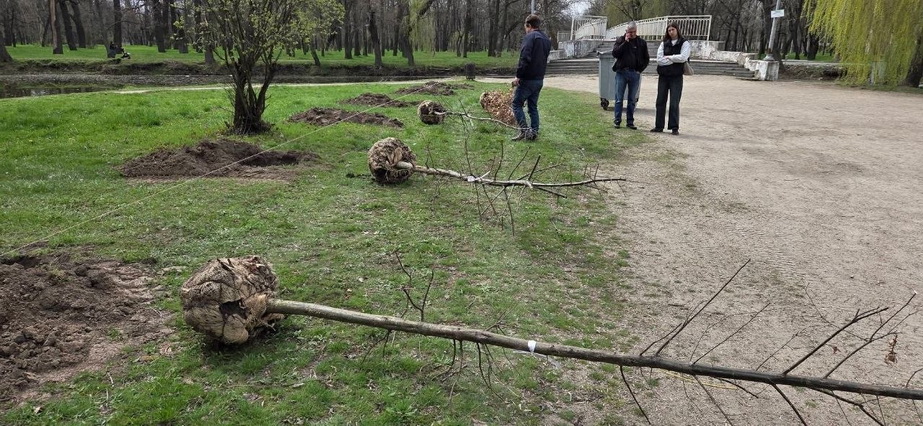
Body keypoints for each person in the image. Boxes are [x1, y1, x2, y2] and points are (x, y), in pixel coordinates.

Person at [510, 14, 551, 141]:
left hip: (528, 78)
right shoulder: (545, 39)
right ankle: (534, 132)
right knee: (532, 106)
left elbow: (525, 58)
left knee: (516, 104)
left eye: (525, 26)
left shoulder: (530, 37)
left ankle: (524, 131)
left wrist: (518, 76)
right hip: (539, 78)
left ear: (528, 25)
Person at [651, 22, 690, 135]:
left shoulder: (684, 43)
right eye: (669, 30)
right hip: (664, 76)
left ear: (677, 30)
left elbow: (683, 58)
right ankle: (659, 126)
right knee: (660, 101)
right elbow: (659, 60)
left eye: (673, 29)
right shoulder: (664, 43)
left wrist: (669, 57)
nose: (671, 32)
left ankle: (674, 127)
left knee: (674, 102)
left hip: (676, 77)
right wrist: (673, 60)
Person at [611, 21, 649, 130]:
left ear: (636, 31)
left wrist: (639, 70)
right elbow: (615, 53)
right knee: (619, 98)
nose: (631, 34)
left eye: (633, 32)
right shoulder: (620, 40)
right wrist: (625, 42)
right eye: (629, 32)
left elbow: (646, 58)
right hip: (621, 72)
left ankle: (630, 122)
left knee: (632, 99)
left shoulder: (641, 43)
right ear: (626, 31)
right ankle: (617, 120)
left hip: (634, 73)